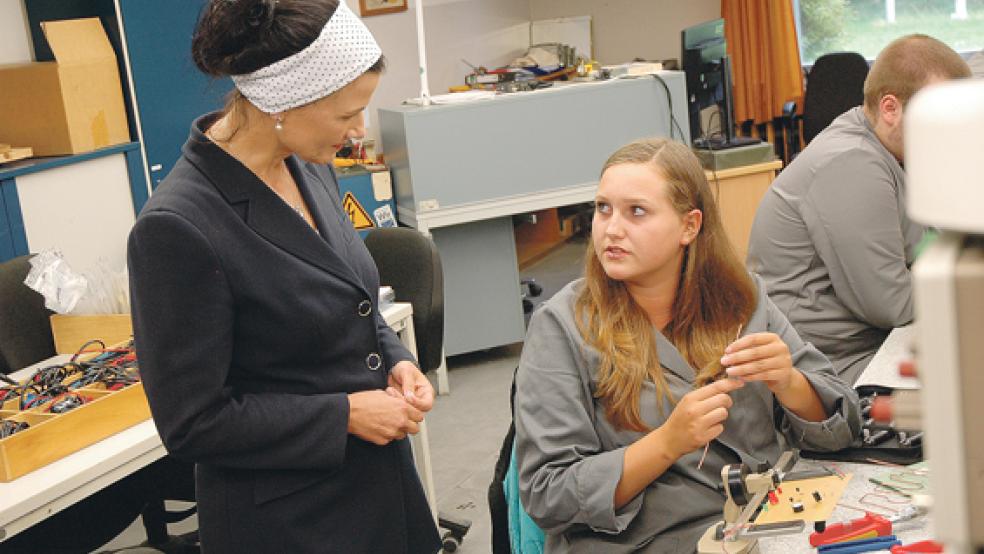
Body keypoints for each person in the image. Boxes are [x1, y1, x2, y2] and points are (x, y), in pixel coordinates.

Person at [126, 1, 440, 552]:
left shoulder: (307, 163)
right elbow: (192, 422)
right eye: (347, 115)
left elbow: (348, 297)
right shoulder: (178, 227)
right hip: (290, 524)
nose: (359, 130)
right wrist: (342, 415)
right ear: (283, 101)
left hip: (377, 489)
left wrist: (397, 359)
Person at [513, 138, 861, 553]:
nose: (612, 229)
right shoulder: (562, 326)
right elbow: (547, 494)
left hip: (766, 523)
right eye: (603, 209)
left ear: (689, 226)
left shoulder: (741, 300)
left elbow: (843, 425)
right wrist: (666, 443)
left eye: (636, 211)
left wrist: (790, 382)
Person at [747, 35, 971, 385]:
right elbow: (892, 305)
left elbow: (928, 245)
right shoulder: (852, 163)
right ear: (890, 108)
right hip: (829, 365)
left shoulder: (891, 148)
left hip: (865, 340)